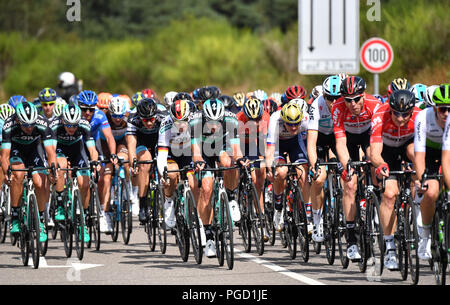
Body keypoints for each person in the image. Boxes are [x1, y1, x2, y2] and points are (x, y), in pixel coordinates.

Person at [370, 90, 421, 270]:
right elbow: (374, 152)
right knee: (390, 195)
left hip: (408, 147)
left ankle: (419, 214)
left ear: (411, 110)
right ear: (390, 109)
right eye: (396, 113)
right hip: (387, 152)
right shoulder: (380, 115)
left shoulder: (419, 116)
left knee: (414, 153)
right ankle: (389, 246)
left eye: (405, 114)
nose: (400, 118)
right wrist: (381, 165)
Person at [331, 76, 381, 261]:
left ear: (364, 95)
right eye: (348, 100)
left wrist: (374, 160)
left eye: (357, 99)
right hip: (348, 140)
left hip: (369, 136)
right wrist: (348, 167)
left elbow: (377, 140)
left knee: (374, 165)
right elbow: (340, 143)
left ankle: (375, 202)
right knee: (350, 183)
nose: (353, 104)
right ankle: (351, 238)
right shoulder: (337, 108)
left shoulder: (374, 104)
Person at [190, 98, 246, 258]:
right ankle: (208, 237)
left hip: (222, 145)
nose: (214, 126)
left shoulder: (230, 119)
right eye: (210, 122)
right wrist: (199, 161)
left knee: (229, 163)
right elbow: (195, 152)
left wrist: (240, 159)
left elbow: (236, 148)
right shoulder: (194, 122)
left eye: (217, 122)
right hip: (203, 150)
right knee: (206, 189)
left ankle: (231, 197)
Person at [1, 102, 57, 243]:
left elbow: (50, 151)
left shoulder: (42, 123)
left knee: (40, 182)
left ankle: (41, 220)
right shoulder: (9, 125)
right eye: (26, 125)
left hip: (34, 150)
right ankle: (14, 216)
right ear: (18, 120)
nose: (30, 128)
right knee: (18, 175)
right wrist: (7, 173)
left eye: (32, 125)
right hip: (16, 150)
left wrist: (53, 170)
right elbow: (4, 156)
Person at [414, 84, 450, 260]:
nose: (446, 114)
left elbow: (447, 159)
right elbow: (419, 156)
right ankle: (426, 235)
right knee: (431, 191)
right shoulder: (423, 117)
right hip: (428, 153)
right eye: (443, 109)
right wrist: (422, 179)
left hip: (446, 152)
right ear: (435, 107)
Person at [266, 101, 309, 232]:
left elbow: (311, 142)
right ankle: (278, 208)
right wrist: (269, 170)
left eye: (297, 123)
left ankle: (308, 215)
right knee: (282, 172)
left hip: (296, 143)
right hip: (278, 144)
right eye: (290, 124)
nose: (294, 127)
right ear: (284, 120)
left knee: (303, 173)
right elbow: (270, 149)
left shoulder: (306, 119)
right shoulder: (275, 119)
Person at [307, 75, 341, 243]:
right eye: (329, 98)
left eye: (337, 97)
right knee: (319, 179)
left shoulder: (345, 105)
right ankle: (317, 220)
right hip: (319, 139)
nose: (333, 102)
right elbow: (311, 142)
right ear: (324, 96)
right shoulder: (317, 105)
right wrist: (314, 166)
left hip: (337, 139)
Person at [127, 98, 167, 223]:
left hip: (159, 139)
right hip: (141, 140)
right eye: (145, 120)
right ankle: (143, 204)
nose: (149, 123)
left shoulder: (163, 115)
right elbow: (131, 143)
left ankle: (167, 205)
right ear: (140, 117)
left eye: (151, 119)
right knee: (144, 163)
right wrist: (133, 163)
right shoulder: (133, 118)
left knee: (163, 167)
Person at [236, 97, 271, 240]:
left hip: (254, 144)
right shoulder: (238, 119)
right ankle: (236, 196)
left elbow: (265, 142)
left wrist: (265, 160)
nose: (255, 123)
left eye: (258, 119)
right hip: (239, 145)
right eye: (252, 120)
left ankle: (260, 217)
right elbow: (234, 144)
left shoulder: (266, 118)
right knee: (241, 171)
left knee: (258, 180)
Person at [157, 99, 194, 228]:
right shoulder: (166, 124)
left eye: (183, 121)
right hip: (171, 153)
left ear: (189, 116)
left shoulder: (195, 122)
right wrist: (164, 175)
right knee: (172, 174)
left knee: (193, 180)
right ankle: (168, 201)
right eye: (176, 122)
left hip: (188, 152)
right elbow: (161, 154)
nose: (180, 125)